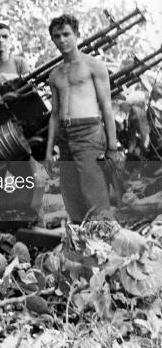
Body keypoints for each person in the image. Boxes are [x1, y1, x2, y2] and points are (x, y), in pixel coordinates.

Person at [45, 14, 120, 222]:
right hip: (64, 136)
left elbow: (107, 107)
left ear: (77, 34)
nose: (62, 40)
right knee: (72, 196)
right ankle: (83, 246)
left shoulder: (94, 66)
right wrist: (49, 152)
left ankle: (106, 246)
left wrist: (112, 148)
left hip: (88, 133)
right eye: (57, 36)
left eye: (66, 34)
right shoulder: (55, 74)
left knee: (94, 195)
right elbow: (54, 114)